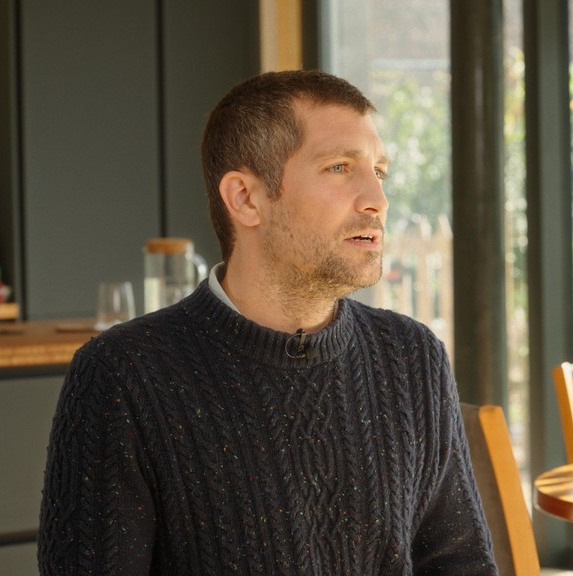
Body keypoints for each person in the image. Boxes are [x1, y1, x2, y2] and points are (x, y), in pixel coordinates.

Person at [38, 69, 498, 575]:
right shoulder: (123, 376)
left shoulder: (413, 357)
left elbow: (460, 565)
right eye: (340, 168)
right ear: (246, 198)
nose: (377, 200)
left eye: (379, 171)